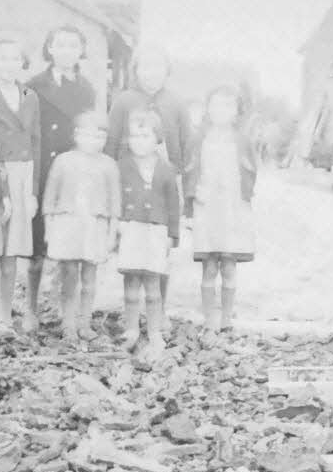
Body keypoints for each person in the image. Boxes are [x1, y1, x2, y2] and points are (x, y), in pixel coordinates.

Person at [105, 45, 191, 310]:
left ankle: (158, 307)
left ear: (167, 71)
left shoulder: (176, 103)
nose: (151, 73)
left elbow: (186, 147)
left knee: (159, 246)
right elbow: (111, 141)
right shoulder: (123, 101)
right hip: (130, 180)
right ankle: (130, 309)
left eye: (157, 66)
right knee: (131, 244)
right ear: (135, 70)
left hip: (164, 181)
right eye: (145, 66)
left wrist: (183, 188)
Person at [25, 25, 97, 333]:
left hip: (73, 173)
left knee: (69, 241)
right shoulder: (33, 85)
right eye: (60, 45)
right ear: (49, 49)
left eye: (73, 45)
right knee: (36, 244)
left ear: (81, 51)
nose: (67, 51)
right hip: (42, 168)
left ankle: (65, 308)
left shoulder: (86, 89)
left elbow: (91, 130)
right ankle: (29, 308)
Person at [41, 111, 120, 341]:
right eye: (88, 135)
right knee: (69, 275)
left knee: (89, 276)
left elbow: (115, 203)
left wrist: (111, 233)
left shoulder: (109, 165)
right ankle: (68, 323)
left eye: (99, 137)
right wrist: (49, 228)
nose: (93, 142)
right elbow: (50, 198)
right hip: (67, 222)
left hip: (94, 224)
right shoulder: (63, 161)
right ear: (76, 135)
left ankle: (84, 322)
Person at [184, 85, 258, 331]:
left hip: (232, 207)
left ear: (237, 111)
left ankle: (226, 319)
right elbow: (189, 172)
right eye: (216, 104)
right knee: (209, 264)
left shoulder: (242, 140)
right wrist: (190, 204)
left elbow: (250, 172)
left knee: (228, 263)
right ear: (207, 108)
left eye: (228, 105)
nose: (221, 111)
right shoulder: (199, 139)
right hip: (207, 206)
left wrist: (244, 200)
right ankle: (209, 319)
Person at [0, 37, 40, 335]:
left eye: (15, 59)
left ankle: (6, 312)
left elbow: (36, 143)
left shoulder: (30, 96)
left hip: (23, 176)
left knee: (12, 252)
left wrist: (31, 192)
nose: (9, 65)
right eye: (2, 58)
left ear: (22, 63)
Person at [116, 110, 179, 357]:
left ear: (157, 139)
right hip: (131, 227)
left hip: (156, 230)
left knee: (153, 285)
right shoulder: (122, 166)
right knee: (131, 283)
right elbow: (116, 197)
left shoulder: (166, 169)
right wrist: (117, 225)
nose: (138, 141)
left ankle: (154, 332)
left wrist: (172, 234)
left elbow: (174, 204)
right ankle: (130, 329)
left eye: (144, 135)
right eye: (134, 136)